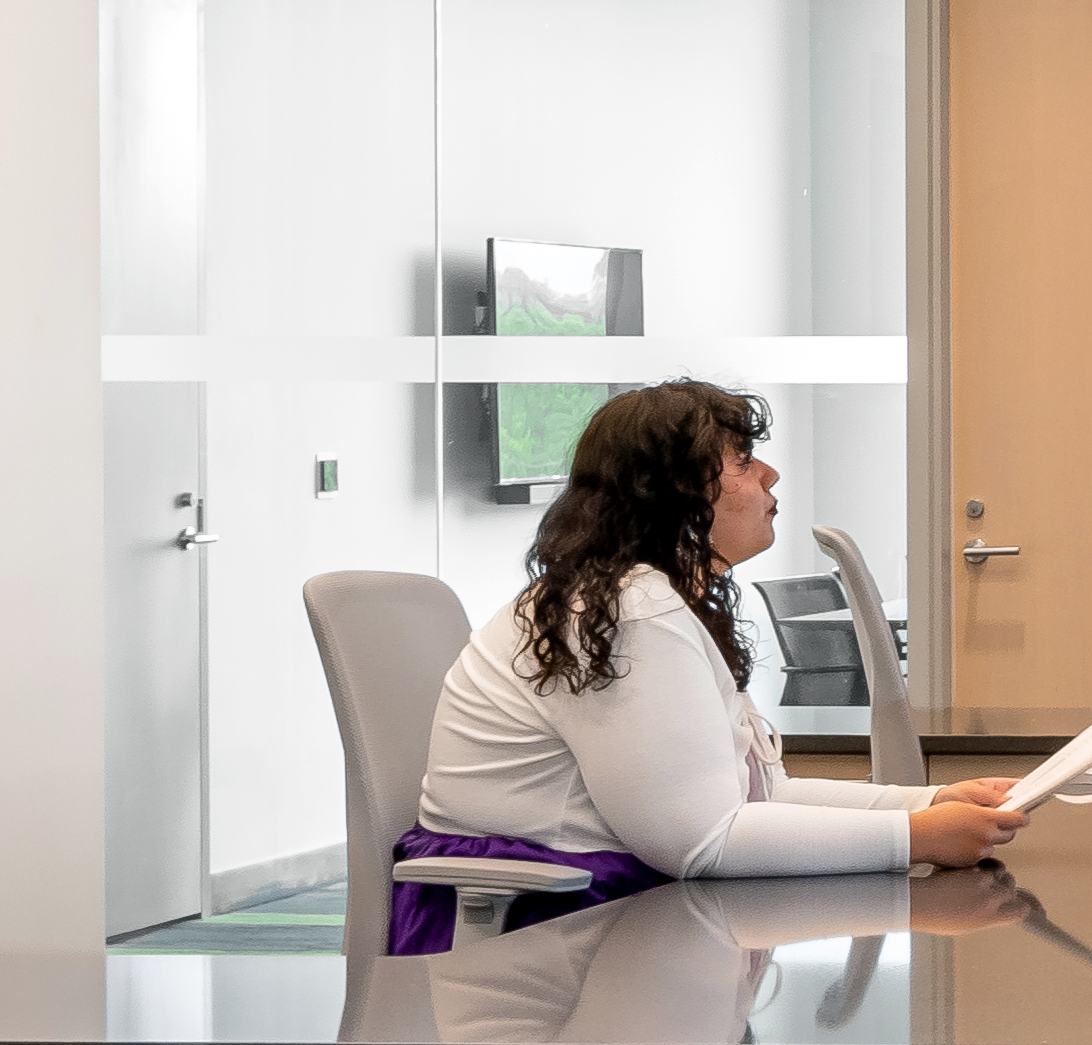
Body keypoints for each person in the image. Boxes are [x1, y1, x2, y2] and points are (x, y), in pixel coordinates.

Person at [405, 383, 1020, 948]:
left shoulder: (644, 596)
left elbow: (761, 794)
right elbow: (703, 842)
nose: (771, 474)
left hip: (585, 907)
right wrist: (917, 837)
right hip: (544, 926)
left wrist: (928, 802)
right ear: (677, 491)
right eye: (745, 461)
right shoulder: (627, 608)